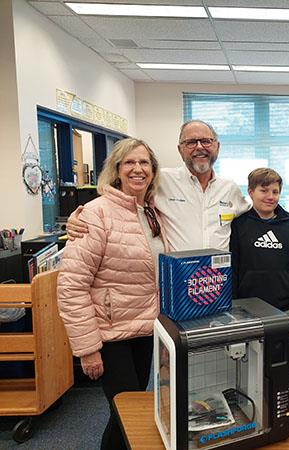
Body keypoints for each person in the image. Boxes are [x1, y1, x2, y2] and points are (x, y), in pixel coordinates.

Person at [57, 138, 167, 450]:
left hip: (145, 328)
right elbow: (71, 285)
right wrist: (87, 348)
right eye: (129, 163)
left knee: (127, 412)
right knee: (127, 412)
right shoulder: (96, 213)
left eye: (144, 163)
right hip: (109, 335)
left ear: (153, 170)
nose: (137, 169)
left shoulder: (152, 212)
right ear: (116, 170)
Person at [67, 120, 250, 251]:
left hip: (217, 281)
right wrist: (83, 218)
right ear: (180, 149)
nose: (199, 147)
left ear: (217, 146)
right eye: (191, 142)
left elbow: (259, 214)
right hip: (176, 281)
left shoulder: (230, 188)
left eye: (206, 141)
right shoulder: (160, 181)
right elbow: (120, 200)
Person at [230, 168, 289, 337]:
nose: (270, 197)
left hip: (284, 309)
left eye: (275, 192)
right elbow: (233, 269)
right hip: (246, 309)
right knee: (247, 361)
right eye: (263, 191)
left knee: (280, 360)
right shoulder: (239, 225)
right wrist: (233, 308)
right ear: (251, 192)